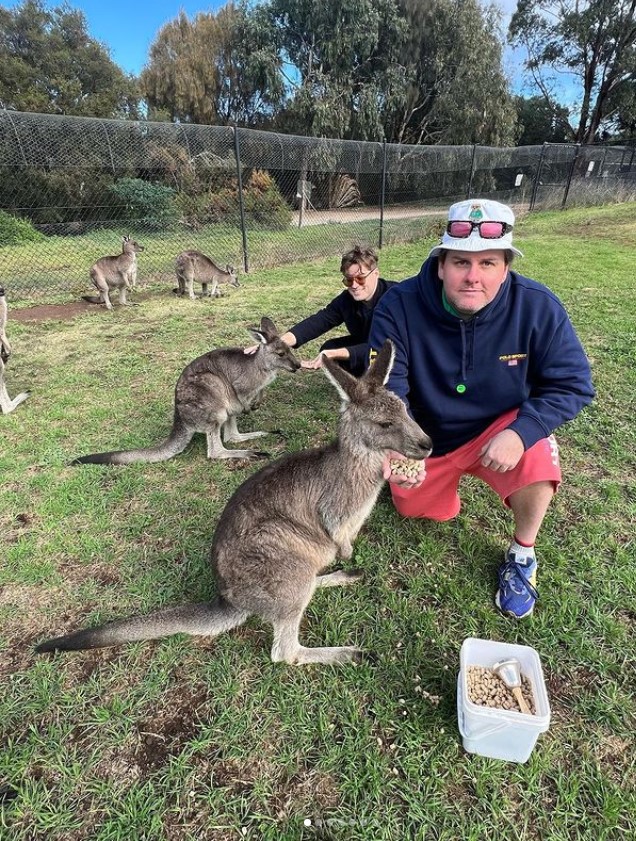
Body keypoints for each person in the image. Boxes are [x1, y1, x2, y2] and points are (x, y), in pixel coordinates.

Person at [368, 198, 595, 619]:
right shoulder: (398, 306)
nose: (473, 277)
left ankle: (523, 554)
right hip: (426, 439)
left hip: (498, 430)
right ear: (440, 265)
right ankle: (434, 487)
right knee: (414, 507)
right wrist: (398, 446)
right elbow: (389, 388)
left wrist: (523, 431)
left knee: (538, 453)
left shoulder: (538, 306)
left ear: (506, 266)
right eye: (460, 263)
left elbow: (573, 384)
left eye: (488, 263)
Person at [278, 245, 396, 375]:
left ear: (376, 274)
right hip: (366, 345)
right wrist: (275, 345)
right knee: (329, 348)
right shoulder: (346, 300)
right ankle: (360, 379)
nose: (355, 285)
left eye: (361, 278)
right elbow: (319, 321)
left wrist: (335, 353)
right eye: (349, 280)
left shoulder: (395, 298)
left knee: (335, 353)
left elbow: (386, 347)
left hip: (395, 351)